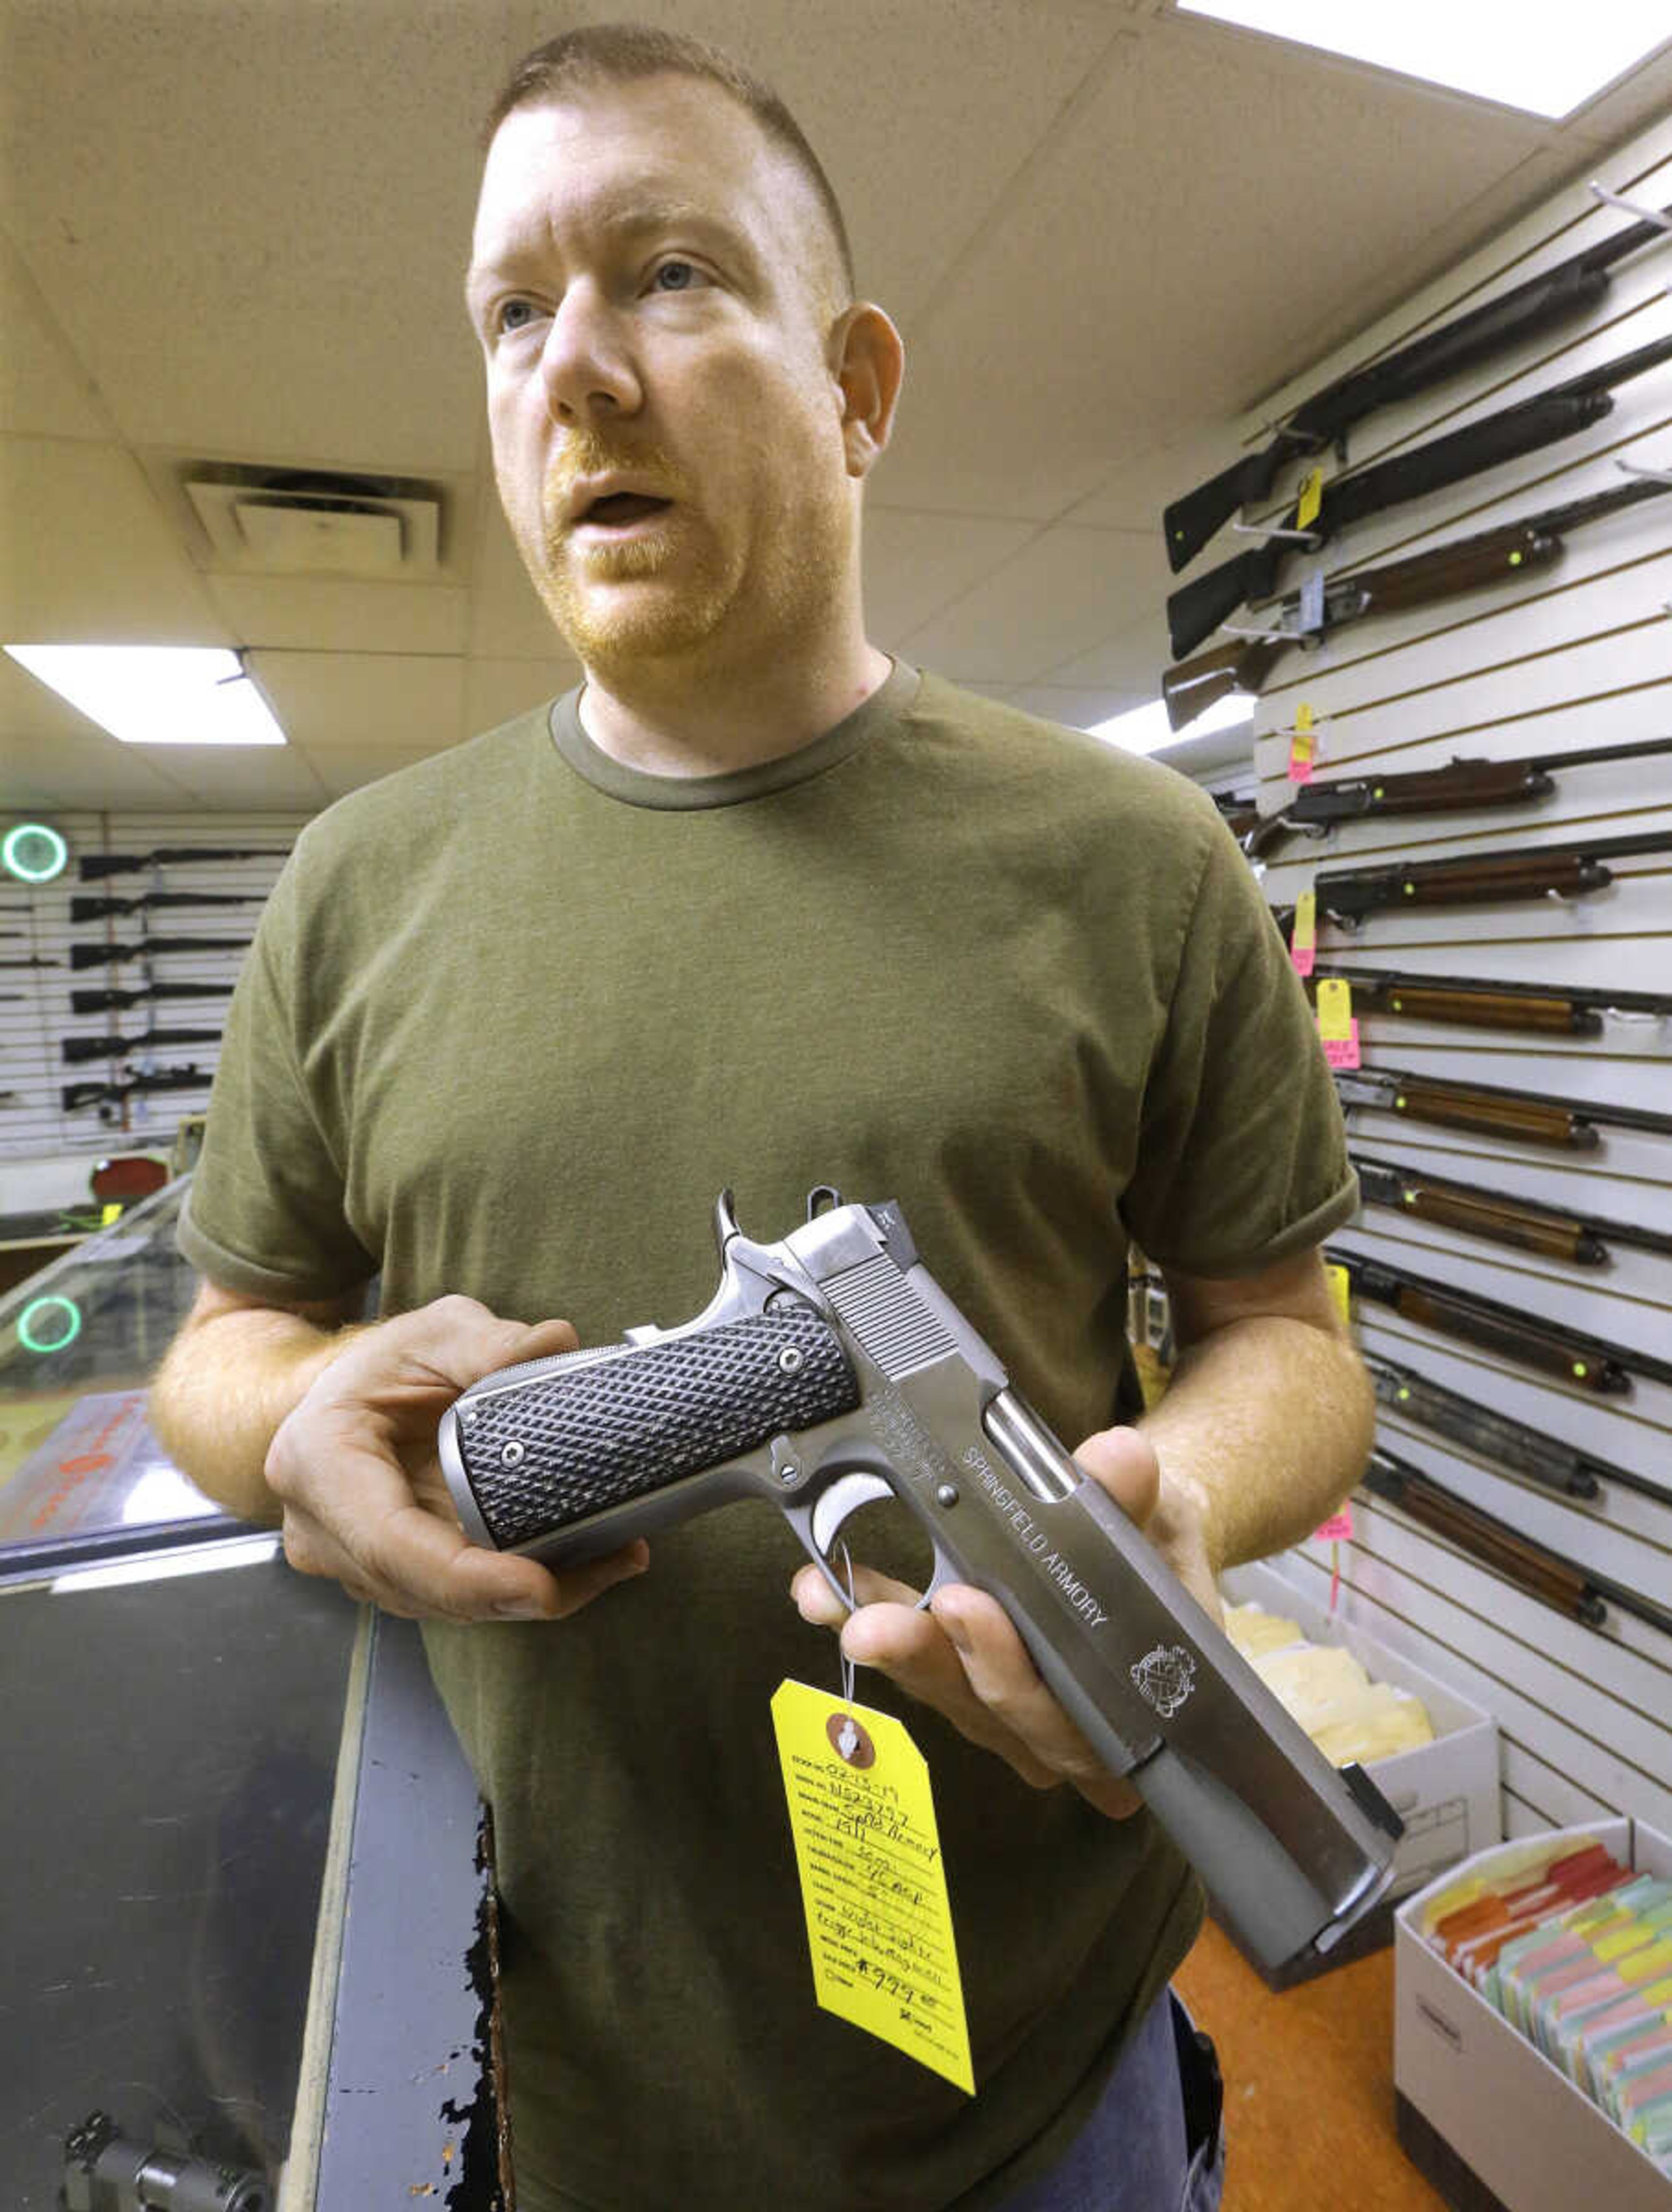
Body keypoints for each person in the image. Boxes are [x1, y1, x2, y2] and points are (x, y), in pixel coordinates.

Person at [149, 23, 1373, 2210]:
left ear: (861, 387)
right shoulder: (356, 882)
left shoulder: (1139, 859)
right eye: (513, 312)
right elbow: (226, 1339)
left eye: (674, 276)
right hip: (530, 2080)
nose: (575, 371)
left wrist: (1161, 1497)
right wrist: (302, 1417)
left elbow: (1291, 1337)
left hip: (1037, 2083)